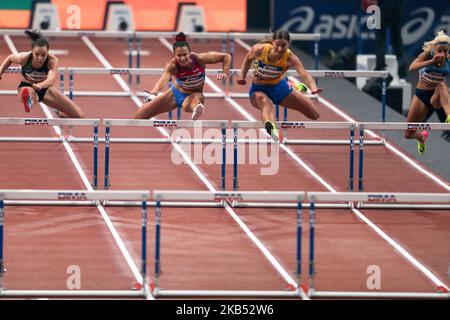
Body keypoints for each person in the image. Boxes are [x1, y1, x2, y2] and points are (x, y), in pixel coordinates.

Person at [236, 30, 321, 140]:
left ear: (288, 45)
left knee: (313, 115)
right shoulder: (259, 50)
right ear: (272, 43)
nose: (280, 49)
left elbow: (304, 74)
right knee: (266, 104)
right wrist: (242, 77)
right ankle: (271, 128)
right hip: (258, 89)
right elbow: (247, 59)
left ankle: (295, 86)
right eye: (277, 45)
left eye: (284, 46)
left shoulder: (291, 58)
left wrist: (313, 87)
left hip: (279, 88)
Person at [134, 32, 231, 120]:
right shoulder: (172, 65)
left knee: (198, 99)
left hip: (193, 96)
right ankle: (154, 100)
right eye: (179, 56)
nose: (182, 58)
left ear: (190, 53)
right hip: (175, 93)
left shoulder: (199, 59)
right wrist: (155, 91)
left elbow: (226, 57)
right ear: (174, 55)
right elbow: (164, 78)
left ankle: (197, 109)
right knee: (140, 115)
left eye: (185, 54)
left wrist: (225, 72)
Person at [0, 29, 84, 118]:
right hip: (27, 86)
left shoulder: (52, 60)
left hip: (46, 89)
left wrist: (40, 85)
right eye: (37, 54)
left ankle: (59, 112)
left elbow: (51, 80)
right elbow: (10, 58)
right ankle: (30, 100)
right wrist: (1, 70)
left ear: (48, 52)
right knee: (29, 92)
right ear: (32, 52)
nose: (40, 58)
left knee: (80, 116)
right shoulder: (23, 58)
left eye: (43, 55)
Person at [405, 30, 450, 154]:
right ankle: (421, 138)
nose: (442, 54)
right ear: (434, 48)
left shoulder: (449, 59)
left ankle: (449, 116)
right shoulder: (426, 55)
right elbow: (411, 67)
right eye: (439, 50)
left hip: (437, 97)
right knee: (408, 134)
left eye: (445, 51)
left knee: (441, 84)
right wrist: (431, 62)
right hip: (421, 96)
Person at [362, 0, 408, 80]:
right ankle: (402, 74)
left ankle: (380, 69)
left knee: (380, 42)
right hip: (396, 12)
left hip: (381, 12)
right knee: (397, 43)